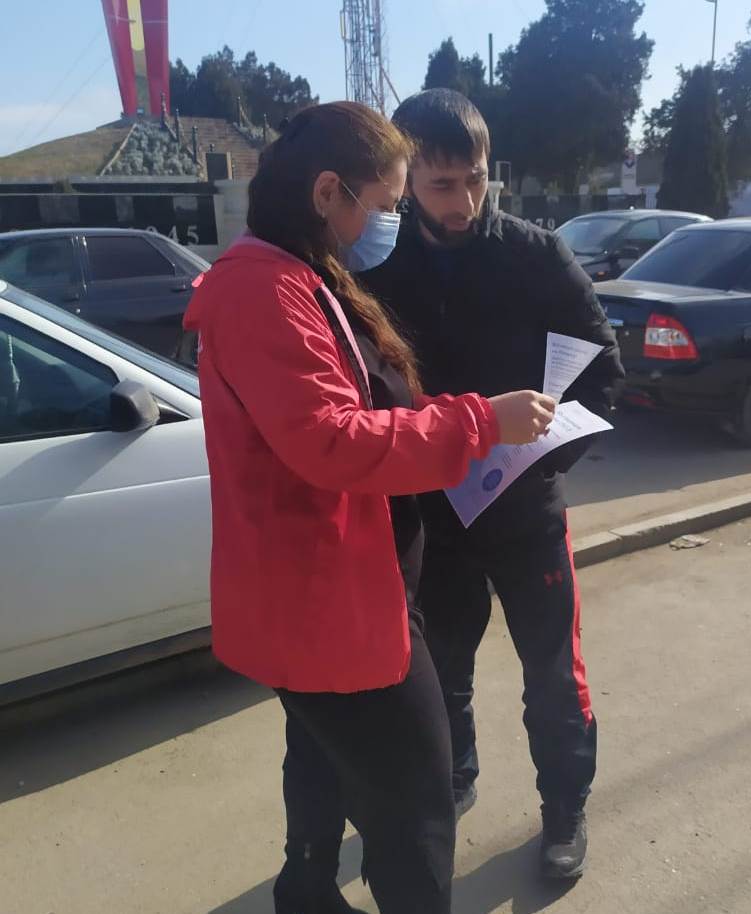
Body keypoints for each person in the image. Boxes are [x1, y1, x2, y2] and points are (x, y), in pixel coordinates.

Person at [182, 101, 556, 914]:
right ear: (328, 192)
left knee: (323, 756)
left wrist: (459, 418)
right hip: (330, 604)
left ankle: (306, 889)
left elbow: (365, 411)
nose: (388, 220)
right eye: (383, 203)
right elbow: (336, 441)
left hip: (340, 587)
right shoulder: (264, 289)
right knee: (419, 799)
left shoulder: (297, 272)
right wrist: (481, 422)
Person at [362, 89, 624, 880]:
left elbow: (604, 370)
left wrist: (542, 458)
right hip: (432, 520)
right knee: (442, 673)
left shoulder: (537, 256)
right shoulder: (381, 269)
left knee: (554, 676)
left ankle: (564, 809)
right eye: (442, 185)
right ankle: (456, 776)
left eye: (476, 179)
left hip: (527, 513)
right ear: (407, 180)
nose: (465, 202)